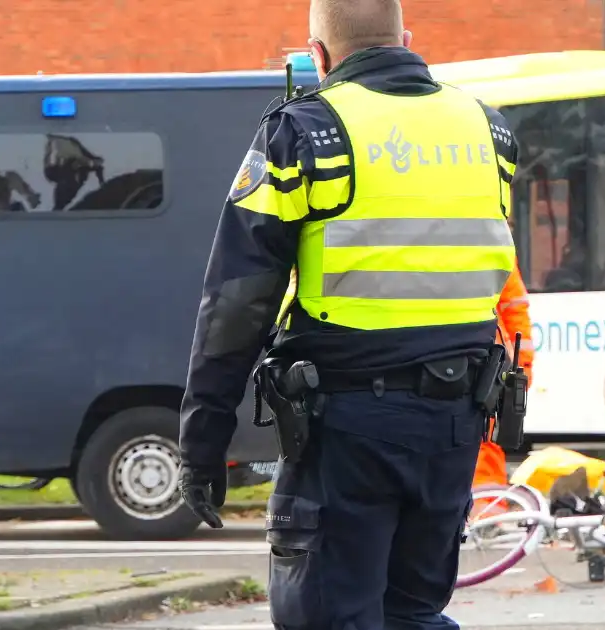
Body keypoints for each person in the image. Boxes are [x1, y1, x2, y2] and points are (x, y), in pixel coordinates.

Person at [176, 0, 519, 626]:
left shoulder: (306, 132)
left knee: (329, 616)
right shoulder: (488, 130)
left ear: (319, 55)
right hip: (455, 423)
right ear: (406, 39)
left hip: (347, 425)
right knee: (413, 612)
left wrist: (203, 438)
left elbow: (238, 299)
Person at [472, 266, 534, 490]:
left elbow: (514, 307)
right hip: (486, 364)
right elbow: (515, 307)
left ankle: (485, 513)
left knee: (484, 442)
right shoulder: (494, 238)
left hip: (486, 367)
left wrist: (521, 367)